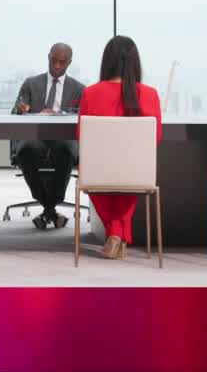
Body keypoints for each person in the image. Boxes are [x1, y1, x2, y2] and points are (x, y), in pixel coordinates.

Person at [76, 35, 162, 259]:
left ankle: (114, 232)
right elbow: (155, 138)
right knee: (131, 174)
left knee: (89, 171)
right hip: (135, 171)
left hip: (98, 169)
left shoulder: (90, 93)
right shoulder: (150, 94)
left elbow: (82, 137)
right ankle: (118, 233)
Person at [11, 42, 84, 230]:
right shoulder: (31, 83)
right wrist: (22, 110)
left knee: (66, 149)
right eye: (54, 60)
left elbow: (82, 119)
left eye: (62, 62)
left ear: (69, 62)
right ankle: (51, 209)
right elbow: (16, 111)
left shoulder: (79, 89)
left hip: (64, 139)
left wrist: (60, 116)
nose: (57, 66)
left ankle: (47, 208)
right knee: (26, 149)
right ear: (48, 57)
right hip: (36, 136)